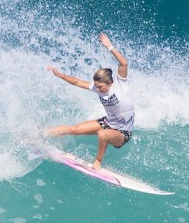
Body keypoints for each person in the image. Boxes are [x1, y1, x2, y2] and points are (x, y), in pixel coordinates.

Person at [46, 33, 134, 170]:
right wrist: (60, 75)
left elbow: (124, 63)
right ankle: (39, 135)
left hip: (122, 132)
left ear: (109, 82)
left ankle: (98, 162)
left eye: (100, 86)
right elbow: (77, 82)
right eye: (96, 86)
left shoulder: (121, 84)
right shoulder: (97, 87)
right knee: (74, 129)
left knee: (103, 134)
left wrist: (109, 47)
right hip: (108, 122)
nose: (97, 89)